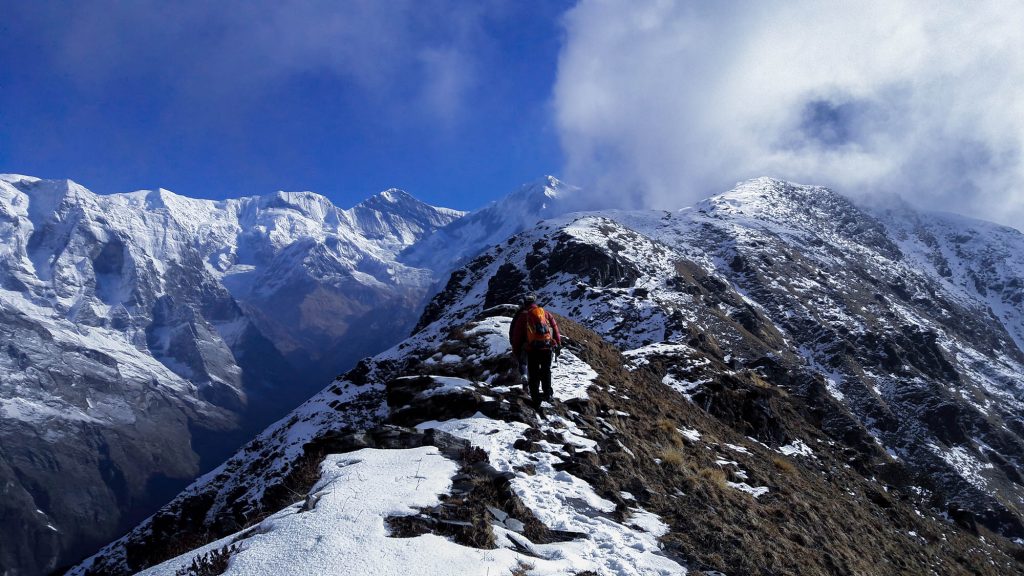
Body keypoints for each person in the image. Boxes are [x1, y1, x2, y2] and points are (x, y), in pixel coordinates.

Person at [510, 293, 562, 407]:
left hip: (532, 349)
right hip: (547, 347)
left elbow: (517, 336)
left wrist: (516, 351)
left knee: (533, 373)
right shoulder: (545, 313)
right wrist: (558, 344)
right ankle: (548, 394)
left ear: (524, 303)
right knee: (546, 371)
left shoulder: (523, 315)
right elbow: (555, 328)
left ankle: (536, 399)